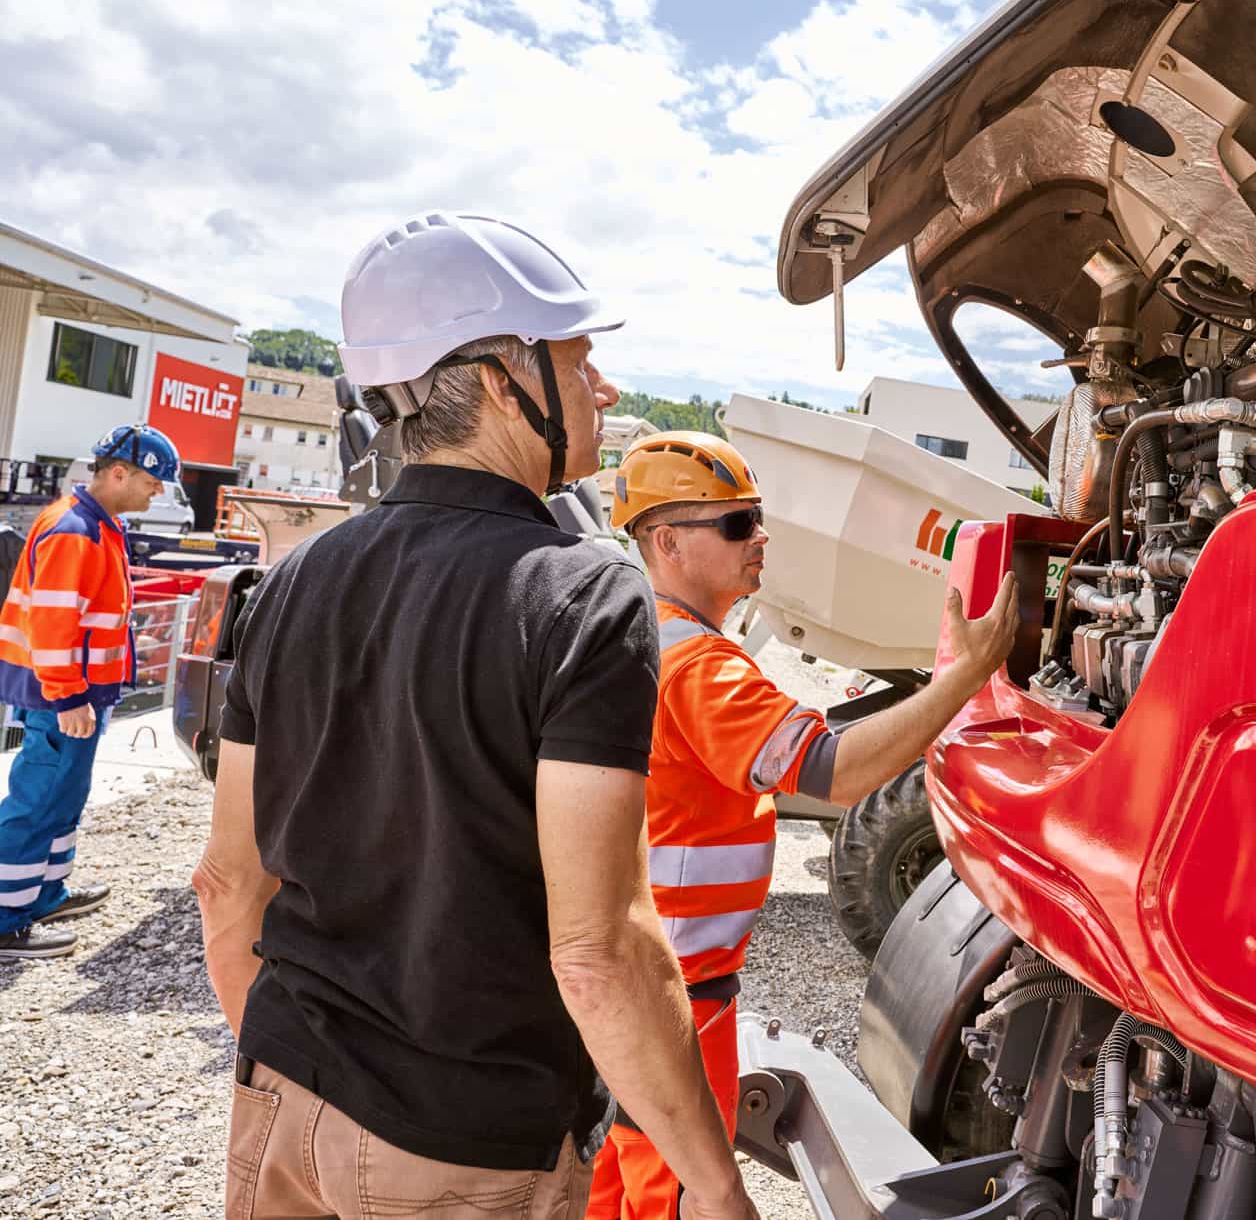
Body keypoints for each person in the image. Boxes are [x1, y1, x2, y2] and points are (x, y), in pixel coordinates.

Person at [191, 213, 756, 1220]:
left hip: (279, 1110)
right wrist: (716, 1187)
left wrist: (288, 1072)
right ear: (503, 380)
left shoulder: (290, 581)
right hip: (463, 1150)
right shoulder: (584, 597)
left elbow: (227, 883)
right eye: (579, 359)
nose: (604, 388)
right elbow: (599, 951)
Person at [587, 430, 1020, 1220]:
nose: (761, 538)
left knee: (614, 1188)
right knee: (677, 1198)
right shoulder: (703, 668)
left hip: (631, 998)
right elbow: (836, 769)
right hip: (681, 1005)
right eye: (736, 522)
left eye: (757, 519)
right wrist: (963, 681)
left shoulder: (635, 637)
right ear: (667, 541)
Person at [0, 423, 178, 960]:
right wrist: (69, 697)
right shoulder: (76, 530)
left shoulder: (96, 525)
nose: (159, 491)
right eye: (154, 480)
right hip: (62, 698)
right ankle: (7, 920)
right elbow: (52, 627)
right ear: (119, 472)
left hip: (79, 694)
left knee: (65, 797)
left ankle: (43, 895)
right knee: (37, 799)